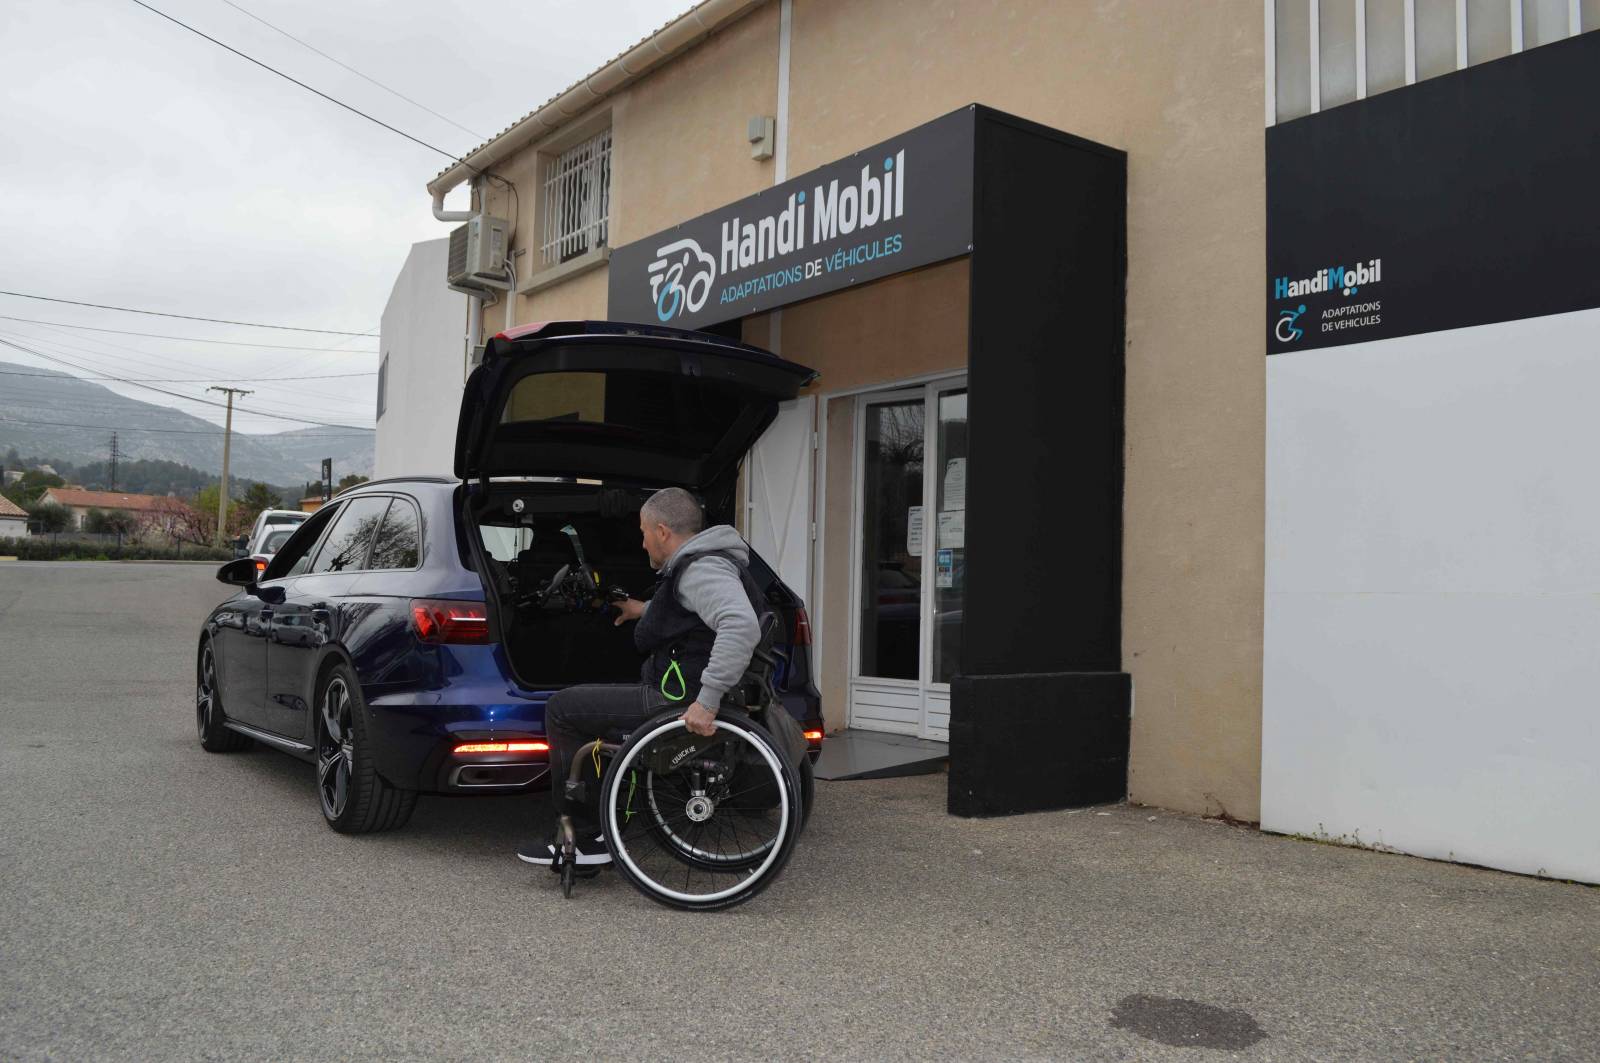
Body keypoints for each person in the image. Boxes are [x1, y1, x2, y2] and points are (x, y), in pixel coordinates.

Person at [517, 486, 766, 868]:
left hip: (677, 697)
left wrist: (707, 701)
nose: (642, 542)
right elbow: (692, 610)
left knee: (562, 709)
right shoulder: (708, 562)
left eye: (644, 532)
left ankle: (586, 838)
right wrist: (644, 609)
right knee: (593, 705)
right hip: (683, 686)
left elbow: (740, 625)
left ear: (662, 532)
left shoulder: (700, 568)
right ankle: (605, 813)